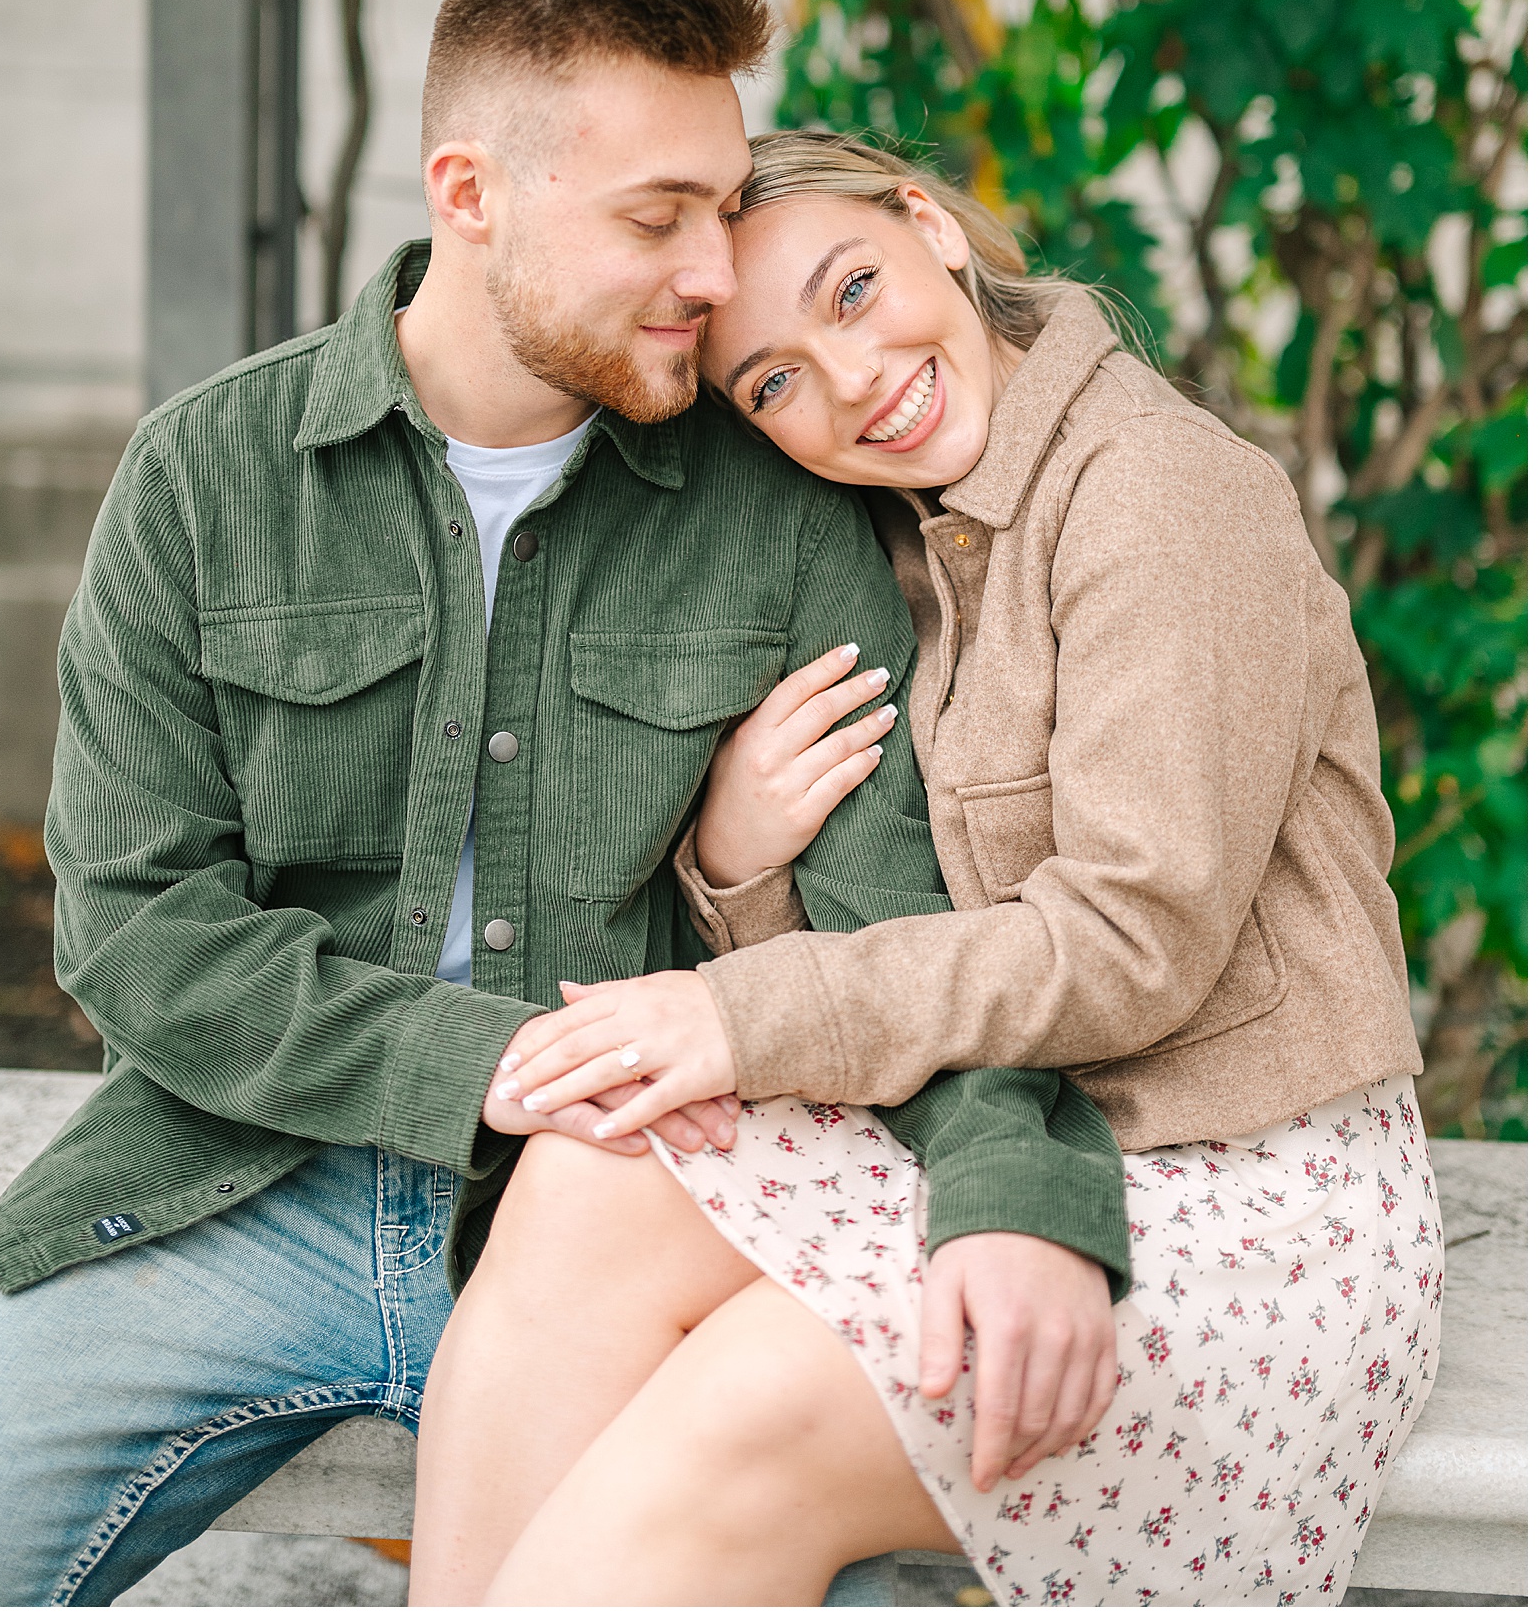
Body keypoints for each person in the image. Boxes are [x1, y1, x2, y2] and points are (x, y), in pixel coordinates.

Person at [0, 0, 1127, 1608]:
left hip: (625, 1232)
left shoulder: (777, 504)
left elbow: (907, 927)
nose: (717, 272)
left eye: (724, 205)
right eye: (659, 217)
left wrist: (1012, 1196)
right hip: (236, 1177)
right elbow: (139, 930)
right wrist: (501, 1059)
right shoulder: (206, 477)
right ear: (470, 190)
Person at [411, 129, 1442, 1610]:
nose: (849, 383)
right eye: (770, 380)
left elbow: (1130, 941)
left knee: (745, 1411)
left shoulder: (1155, 491)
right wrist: (737, 859)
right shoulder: (909, 532)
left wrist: (737, 1012)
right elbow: (914, 936)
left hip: (1253, 1201)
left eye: (851, 290)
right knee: (587, 1173)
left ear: (930, 227)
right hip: (1030, 1124)